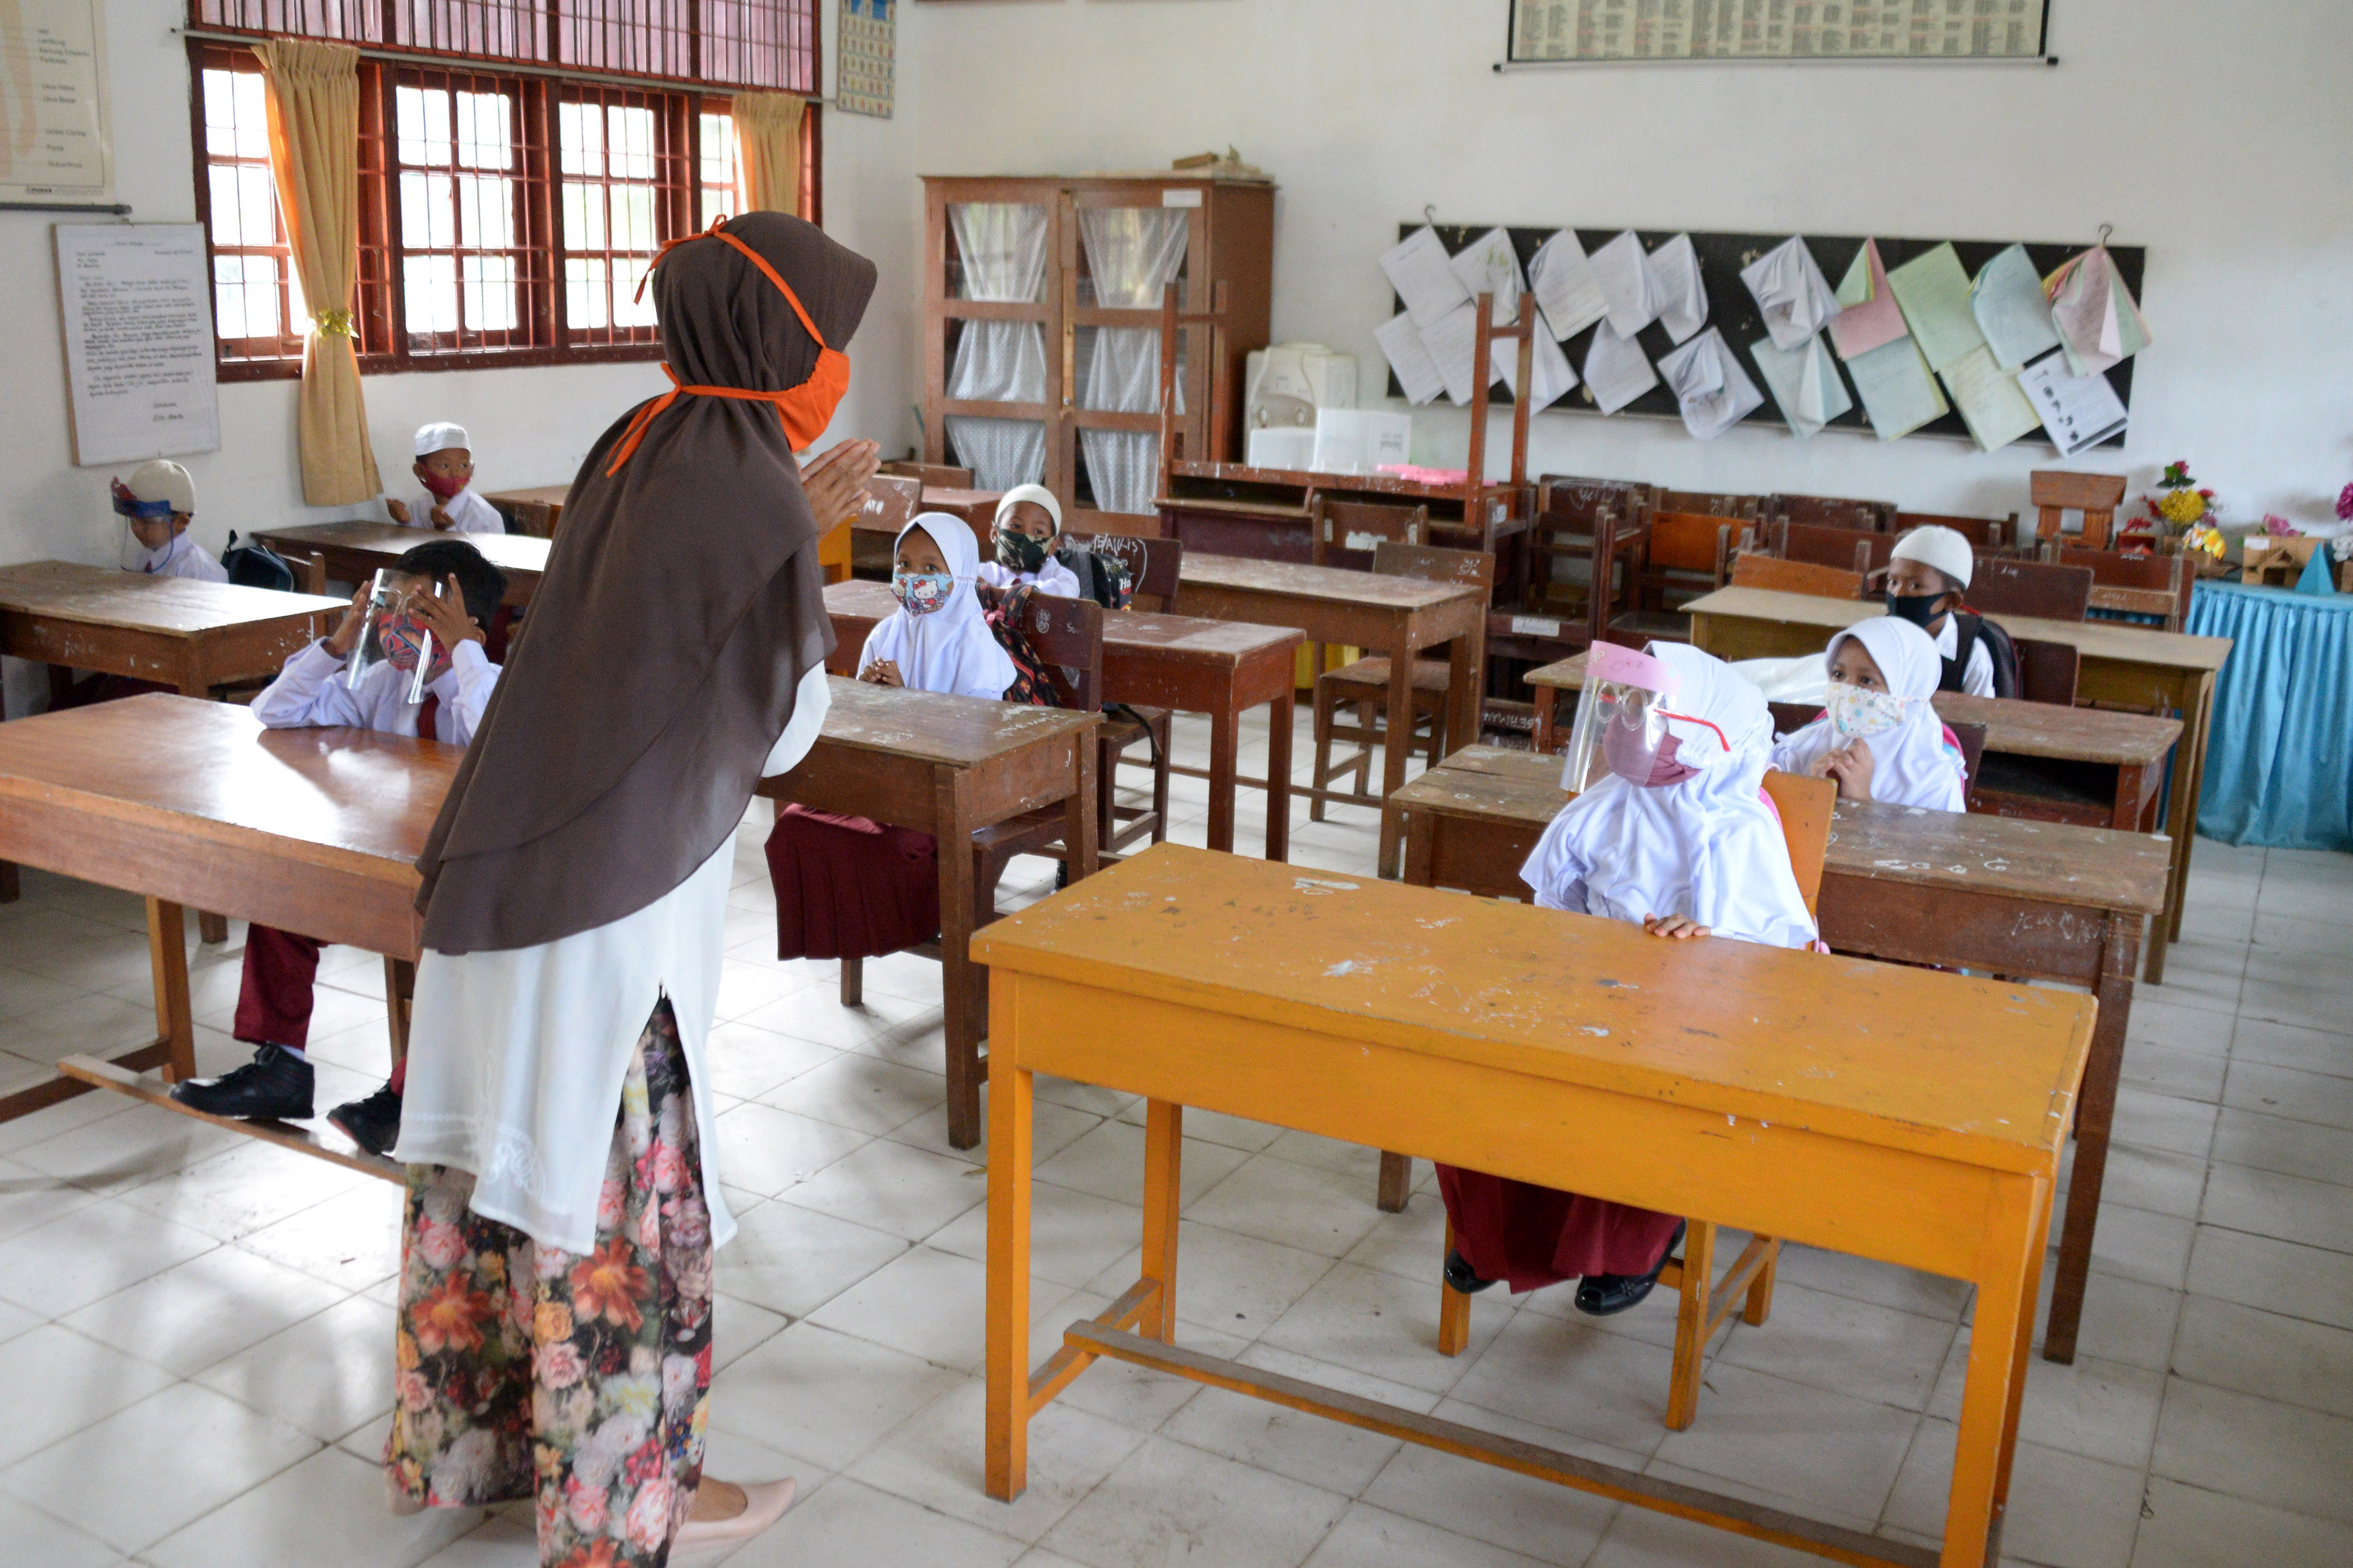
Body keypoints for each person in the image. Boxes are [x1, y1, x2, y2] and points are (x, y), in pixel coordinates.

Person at [388, 211, 879, 1567]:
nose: (835, 363)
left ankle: (485, 1453)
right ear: (783, 341)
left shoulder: (638, 434)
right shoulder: (754, 489)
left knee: (497, 1165)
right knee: (623, 1211)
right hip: (609, 918)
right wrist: (807, 541)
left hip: (502, 871)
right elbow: (778, 734)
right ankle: (633, 1499)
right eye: (828, 339)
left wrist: (792, 520)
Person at [1438, 642, 1818, 1317]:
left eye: (1653, 708)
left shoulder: (1733, 827)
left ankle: (1634, 1239)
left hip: (1687, 1018)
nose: (1633, 721)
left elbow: (1766, 961)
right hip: (1595, 989)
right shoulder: (1615, 799)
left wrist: (1699, 936)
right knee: (1488, 1059)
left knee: (1637, 1096)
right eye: (1630, 703)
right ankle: (1493, 1235)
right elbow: (1557, 897)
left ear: (1703, 734)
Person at [168, 541, 508, 1155]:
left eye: (420, 611)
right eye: (391, 607)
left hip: (465, 882)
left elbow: (497, 743)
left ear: (467, 626)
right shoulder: (381, 681)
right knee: (286, 899)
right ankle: (282, 1065)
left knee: (450, 950)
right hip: (388, 863)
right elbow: (275, 711)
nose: (397, 623)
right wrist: (340, 641)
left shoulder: (493, 687)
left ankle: (409, 1096)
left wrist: (465, 650)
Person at [765, 512, 1017, 961]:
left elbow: (975, 742)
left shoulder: (974, 646)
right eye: (904, 564)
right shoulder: (887, 633)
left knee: (889, 846)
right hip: (887, 783)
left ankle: (922, 921)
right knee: (794, 827)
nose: (913, 578)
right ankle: (847, 934)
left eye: (930, 569)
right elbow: (862, 723)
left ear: (959, 575)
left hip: (949, 793)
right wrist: (868, 698)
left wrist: (905, 702)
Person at [1770, 618, 1968, 812]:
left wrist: (1863, 805)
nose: (1846, 690)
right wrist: (1806, 793)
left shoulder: (1934, 778)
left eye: (1866, 680)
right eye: (1839, 674)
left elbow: (1939, 843)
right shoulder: (1803, 747)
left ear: (1909, 690)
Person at [1884, 525, 2015, 698]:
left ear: (1951, 601)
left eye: (1915, 585)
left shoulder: (1972, 656)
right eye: (1893, 582)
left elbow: (1980, 719)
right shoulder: (1877, 638)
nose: (1898, 594)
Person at [114, 459, 228, 582]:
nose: (137, 529)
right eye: (133, 520)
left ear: (181, 522)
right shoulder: (146, 556)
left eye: (147, 522)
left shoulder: (198, 571)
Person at [387, 422, 504, 535]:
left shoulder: (485, 516)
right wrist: (405, 523)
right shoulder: (418, 506)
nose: (455, 474)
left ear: (471, 469)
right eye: (445, 466)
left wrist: (446, 530)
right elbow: (411, 550)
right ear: (420, 471)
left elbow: (487, 555)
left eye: (463, 465)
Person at [974, 483, 1082, 598]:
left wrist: (994, 592)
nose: (1025, 536)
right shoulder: (979, 573)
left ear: (1052, 547)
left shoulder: (1064, 580)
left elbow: (1066, 592)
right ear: (995, 533)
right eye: (1015, 526)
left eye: (1038, 532)